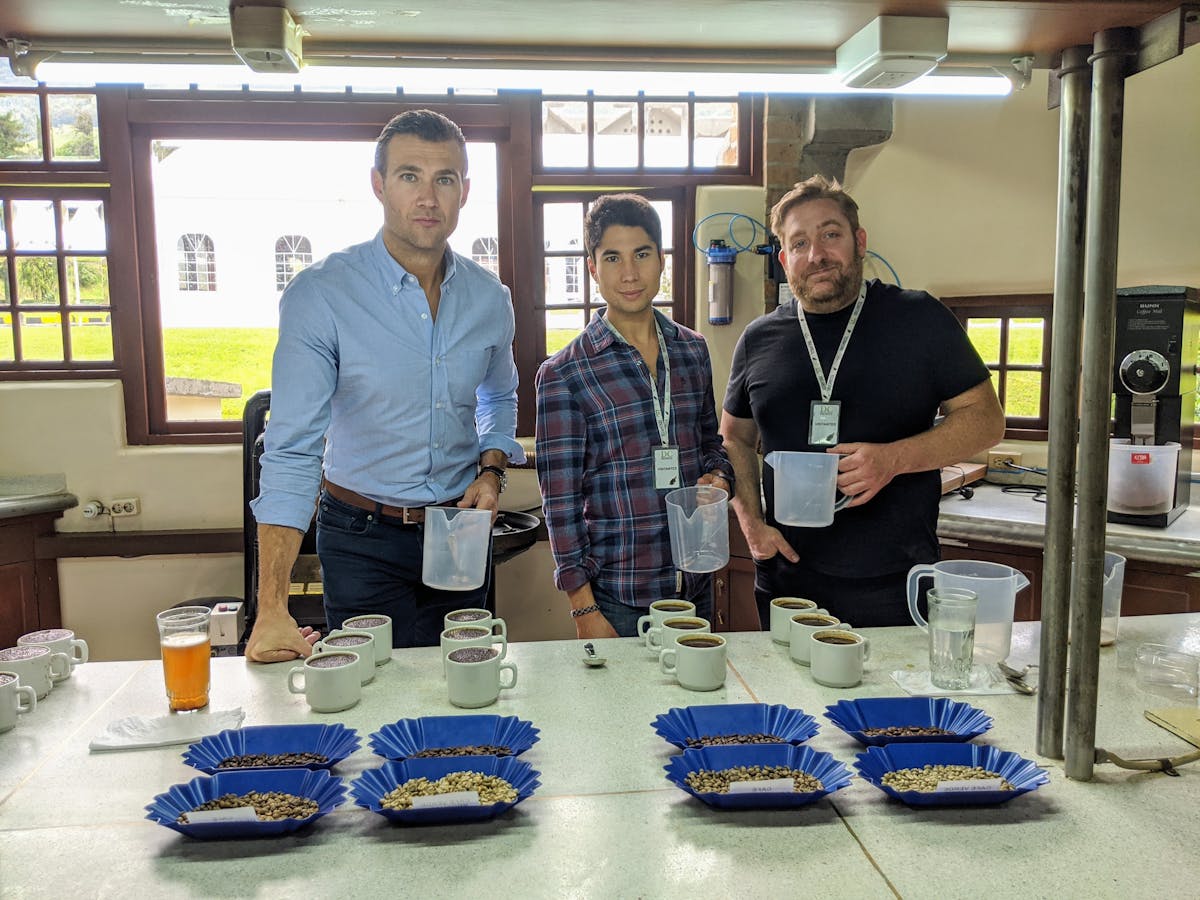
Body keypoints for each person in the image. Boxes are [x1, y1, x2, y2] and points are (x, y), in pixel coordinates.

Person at [246, 109, 524, 662]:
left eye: (444, 179)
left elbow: (499, 397)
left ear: (464, 192)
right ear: (378, 185)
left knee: (464, 691)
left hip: (457, 534)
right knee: (374, 696)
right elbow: (293, 448)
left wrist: (492, 468)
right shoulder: (321, 295)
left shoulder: (491, 299)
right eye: (409, 176)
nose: (428, 197)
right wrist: (271, 608)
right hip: (361, 537)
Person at [720, 175, 1004, 628]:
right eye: (799, 243)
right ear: (784, 259)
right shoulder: (759, 339)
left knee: (890, 701)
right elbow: (734, 437)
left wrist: (894, 458)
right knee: (790, 701)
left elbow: (986, 420)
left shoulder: (918, 318)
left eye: (830, 235)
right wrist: (752, 524)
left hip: (895, 582)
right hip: (787, 581)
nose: (816, 255)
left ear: (859, 241)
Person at [535, 194, 735, 638]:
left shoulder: (691, 350)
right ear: (592, 268)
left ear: (661, 261)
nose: (629, 273)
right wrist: (584, 611)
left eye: (642, 255)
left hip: (695, 583)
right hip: (619, 599)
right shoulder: (564, 373)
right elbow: (561, 506)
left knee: (695, 707)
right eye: (612, 258)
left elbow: (710, 446)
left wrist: (719, 479)